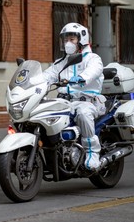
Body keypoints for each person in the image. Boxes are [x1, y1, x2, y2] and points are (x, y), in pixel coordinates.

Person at [43, 22, 106, 171]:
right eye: (65, 40)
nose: (68, 43)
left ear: (81, 39)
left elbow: (93, 71)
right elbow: (46, 76)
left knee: (83, 114)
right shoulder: (60, 63)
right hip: (64, 102)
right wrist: (31, 82)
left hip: (88, 102)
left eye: (72, 39)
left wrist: (82, 77)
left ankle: (92, 153)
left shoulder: (93, 59)